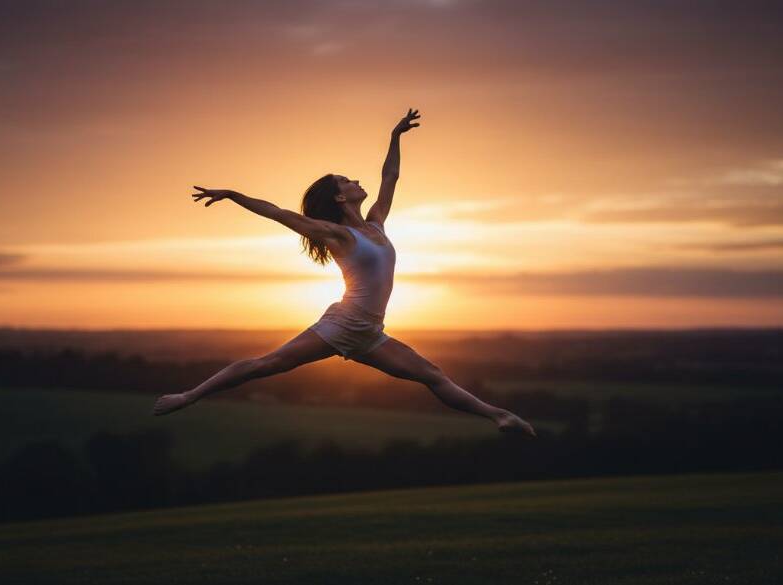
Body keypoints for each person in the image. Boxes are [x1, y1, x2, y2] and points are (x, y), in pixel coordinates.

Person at [153, 108, 535, 436]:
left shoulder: (376, 224)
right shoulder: (337, 234)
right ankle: (188, 396)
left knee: (432, 374)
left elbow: (390, 178)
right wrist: (234, 195)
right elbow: (280, 213)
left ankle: (499, 416)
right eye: (346, 181)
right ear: (339, 197)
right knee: (268, 364)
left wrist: (394, 136)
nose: (355, 181)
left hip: (370, 333)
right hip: (343, 324)